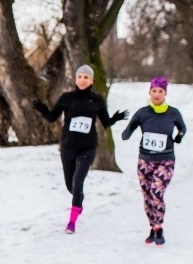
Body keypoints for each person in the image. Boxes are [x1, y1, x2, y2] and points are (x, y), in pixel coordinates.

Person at [32, 64, 129, 234]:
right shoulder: (66, 98)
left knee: (78, 181)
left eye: (86, 77)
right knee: (70, 185)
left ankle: (72, 222)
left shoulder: (97, 100)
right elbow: (51, 118)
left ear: (91, 80)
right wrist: (42, 109)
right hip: (68, 147)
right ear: (76, 79)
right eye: (80, 77)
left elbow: (105, 122)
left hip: (88, 148)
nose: (82, 80)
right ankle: (78, 200)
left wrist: (116, 118)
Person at [121, 77, 186, 246]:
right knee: (147, 196)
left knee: (156, 192)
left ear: (165, 93)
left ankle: (160, 227)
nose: (157, 94)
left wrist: (179, 136)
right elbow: (131, 126)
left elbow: (182, 127)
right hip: (145, 160)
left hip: (165, 160)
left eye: (160, 91)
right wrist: (126, 133)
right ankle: (152, 226)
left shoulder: (173, 113)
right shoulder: (143, 112)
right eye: (154, 91)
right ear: (149, 92)